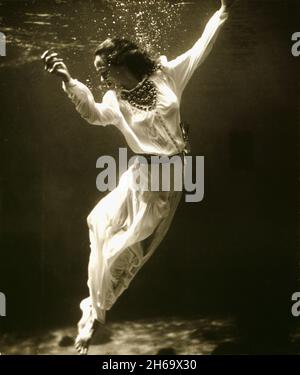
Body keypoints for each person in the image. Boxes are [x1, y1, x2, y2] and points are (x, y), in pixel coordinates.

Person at [42, 0, 235, 355]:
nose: (100, 76)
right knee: (100, 225)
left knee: (127, 246)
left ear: (119, 62)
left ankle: (95, 313)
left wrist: (221, 13)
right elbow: (95, 114)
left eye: (103, 69)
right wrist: (69, 80)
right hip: (140, 174)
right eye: (97, 72)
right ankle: (94, 312)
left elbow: (198, 50)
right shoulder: (114, 100)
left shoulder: (165, 75)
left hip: (170, 179)